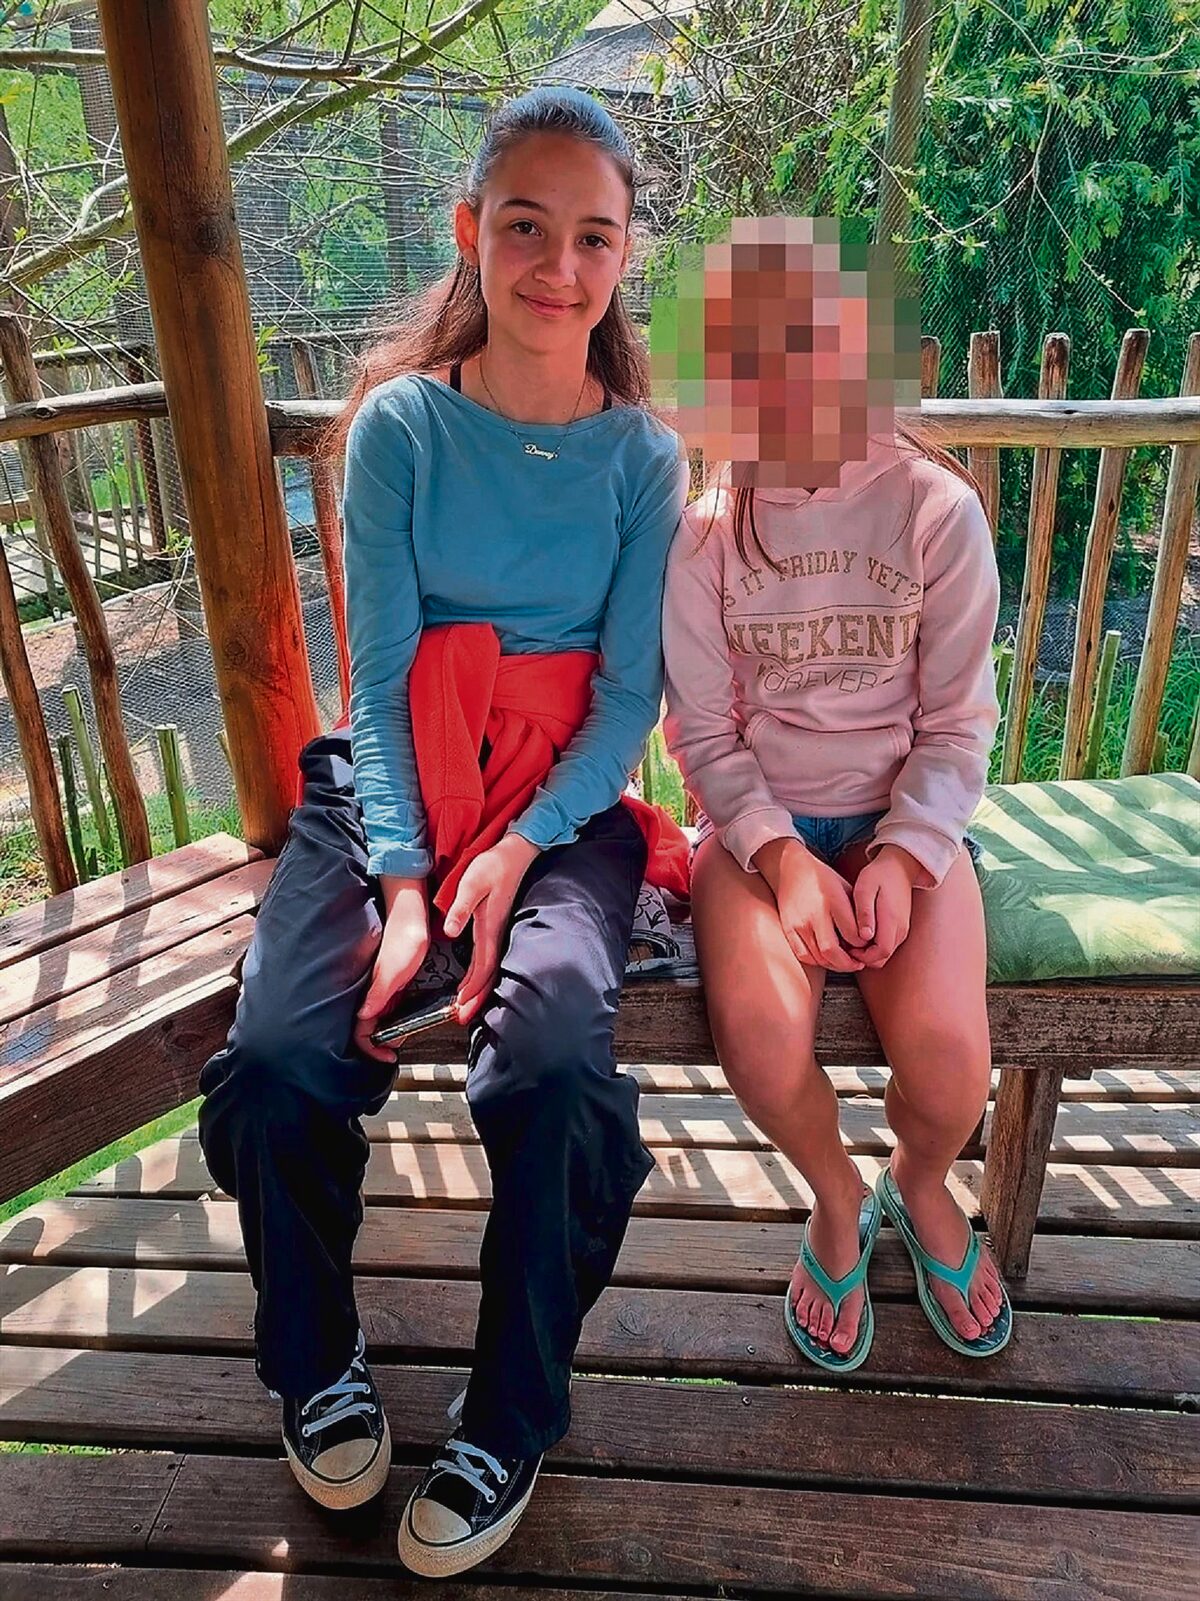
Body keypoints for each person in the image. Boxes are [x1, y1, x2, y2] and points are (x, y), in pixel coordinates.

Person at [198, 86, 687, 1577]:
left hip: (564, 804)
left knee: (553, 1065)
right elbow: (382, 669)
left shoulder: (643, 458)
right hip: (393, 780)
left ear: (623, 257)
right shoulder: (403, 425)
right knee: (281, 1054)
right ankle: (315, 1358)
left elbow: (626, 700)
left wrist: (520, 843)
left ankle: (510, 1414)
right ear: (472, 232)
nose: (559, 266)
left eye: (593, 237)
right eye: (526, 227)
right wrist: (406, 879)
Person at [661, 217, 1012, 1378]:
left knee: (953, 1064)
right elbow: (703, 730)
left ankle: (920, 1179)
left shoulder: (935, 512)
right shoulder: (706, 537)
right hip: (759, 835)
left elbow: (957, 724)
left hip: (901, 823)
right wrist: (781, 857)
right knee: (763, 1043)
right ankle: (833, 1193)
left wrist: (904, 857)